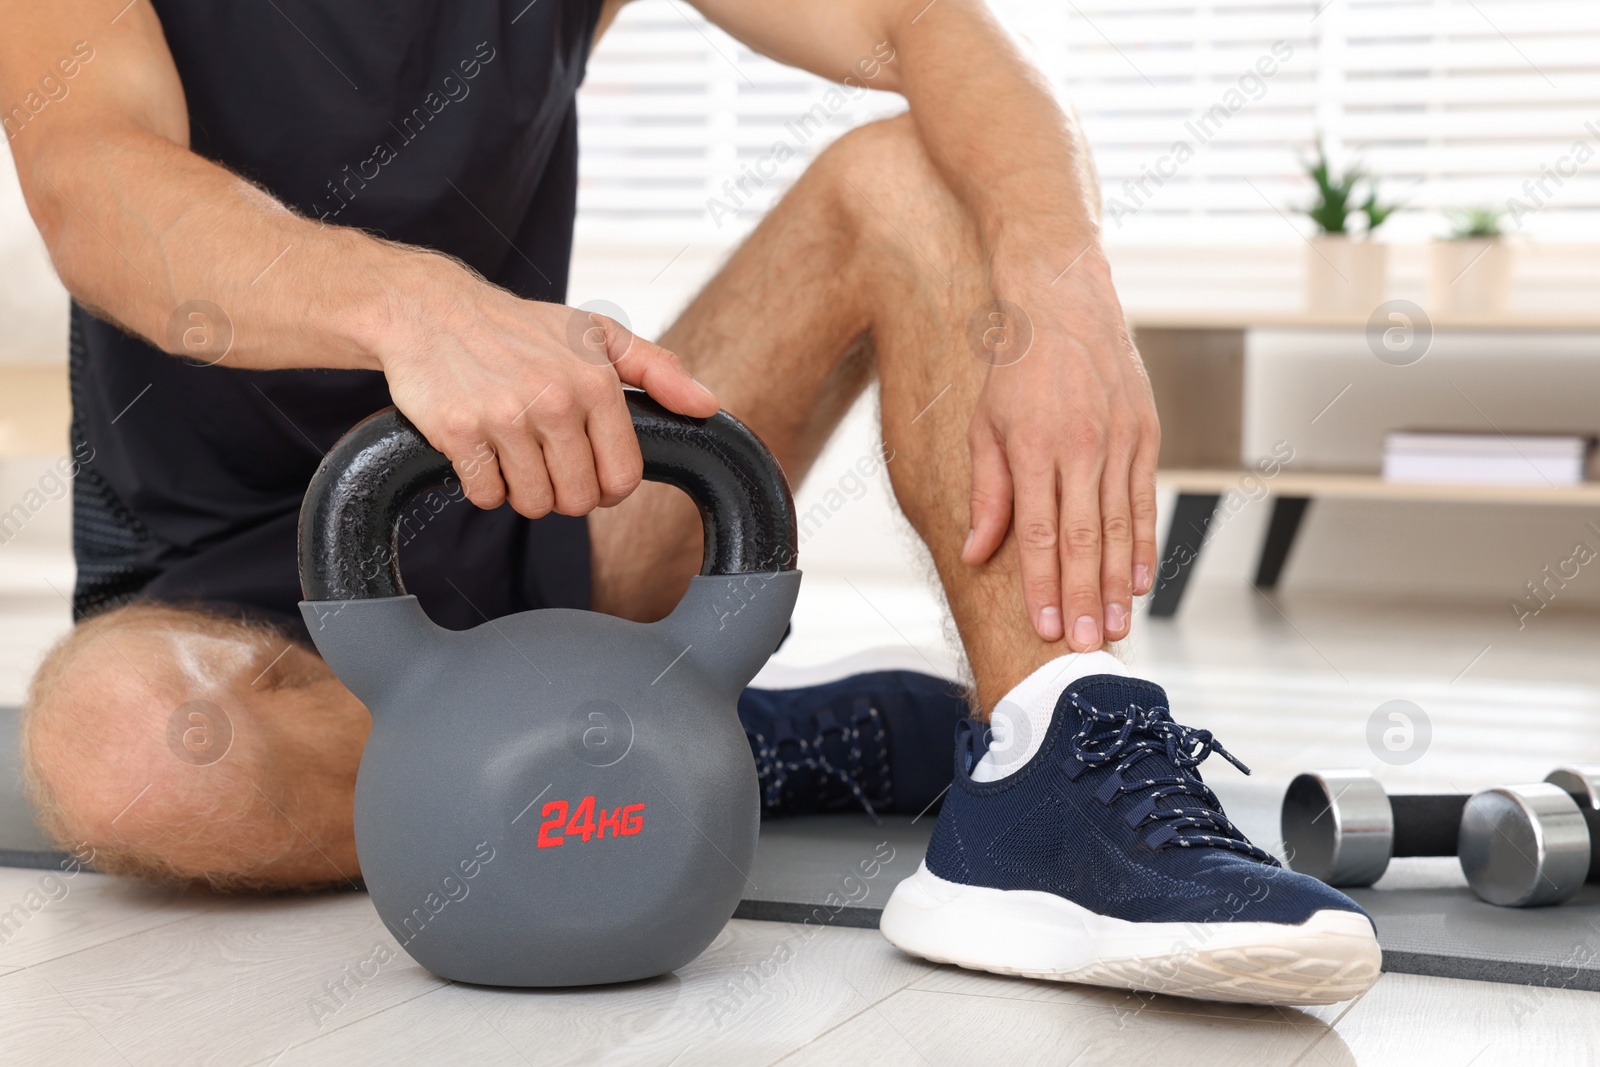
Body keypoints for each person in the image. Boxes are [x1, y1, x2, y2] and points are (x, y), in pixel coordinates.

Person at [2, 0, 1379, 1005]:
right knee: (123, 753)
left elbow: (921, 26)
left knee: (903, 178)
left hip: (552, 517)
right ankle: (701, 749)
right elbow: (93, 180)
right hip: (253, 617)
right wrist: (417, 309)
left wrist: (1064, 278)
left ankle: (1042, 773)